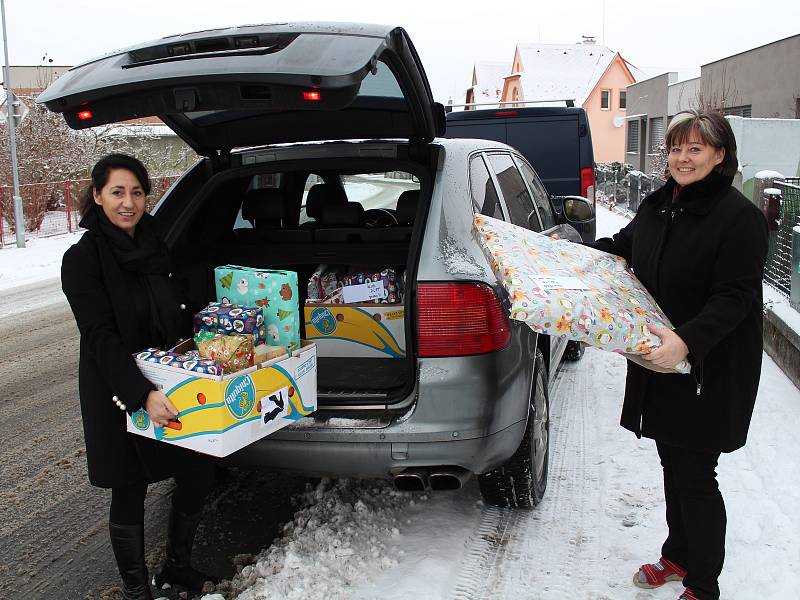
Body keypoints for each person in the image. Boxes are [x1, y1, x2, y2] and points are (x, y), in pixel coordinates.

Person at [586, 110, 768, 600]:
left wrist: (686, 341)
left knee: (695, 472)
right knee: (674, 460)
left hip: (708, 366)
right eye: (676, 149)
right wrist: (579, 258)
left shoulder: (740, 219)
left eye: (695, 149)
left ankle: (703, 583)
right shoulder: (660, 204)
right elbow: (625, 249)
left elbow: (735, 297)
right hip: (661, 358)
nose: (682, 159)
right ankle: (679, 555)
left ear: (719, 155)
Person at [61, 154, 217, 599]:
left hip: (169, 379)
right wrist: (139, 394)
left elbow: (175, 311)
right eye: (116, 192)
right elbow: (100, 337)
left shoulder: (155, 244)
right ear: (97, 196)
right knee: (128, 489)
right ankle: (135, 590)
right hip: (117, 387)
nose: (127, 203)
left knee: (198, 468)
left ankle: (177, 566)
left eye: (136, 192)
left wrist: (205, 351)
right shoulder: (82, 260)